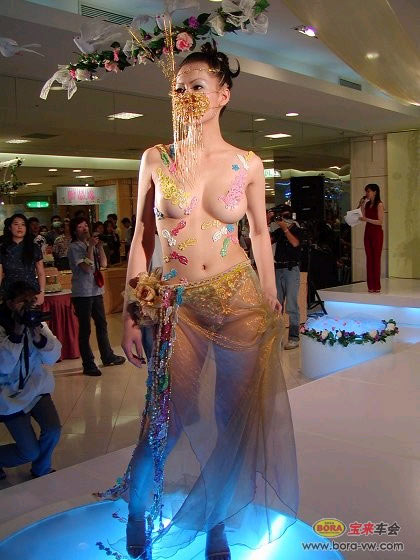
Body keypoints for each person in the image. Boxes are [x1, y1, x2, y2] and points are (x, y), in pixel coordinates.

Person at [103, 42, 298, 560]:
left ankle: (217, 523)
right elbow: (142, 236)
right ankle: (138, 509)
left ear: (223, 95)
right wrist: (131, 312)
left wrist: (271, 291)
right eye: (178, 88)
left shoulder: (246, 163)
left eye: (197, 86)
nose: (186, 95)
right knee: (166, 414)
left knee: (234, 420)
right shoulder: (157, 158)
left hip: (238, 297)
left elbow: (260, 233)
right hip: (179, 302)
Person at [0, 281, 62, 480]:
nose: (28, 306)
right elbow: (3, 367)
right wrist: (17, 333)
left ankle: (41, 469)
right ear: (9, 303)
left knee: (53, 429)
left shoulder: (37, 323)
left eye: (31, 301)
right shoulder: (2, 326)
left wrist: (37, 336)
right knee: (29, 452)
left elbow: (53, 357)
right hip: (8, 395)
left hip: (35, 387)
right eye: (22, 301)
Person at [67, 217, 125, 376]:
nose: (85, 228)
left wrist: (99, 247)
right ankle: (88, 364)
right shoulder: (74, 247)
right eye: (80, 226)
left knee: (102, 324)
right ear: (75, 230)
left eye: (86, 225)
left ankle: (107, 356)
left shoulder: (89, 244)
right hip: (82, 293)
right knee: (85, 329)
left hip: (96, 291)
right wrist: (91, 247)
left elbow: (104, 264)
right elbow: (86, 267)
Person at [271, 205, 302, 350]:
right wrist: (266, 221)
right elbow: (267, 240)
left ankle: (294, 337)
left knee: (291, 305)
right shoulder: (278, 231)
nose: (280, 219)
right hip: (278, 269)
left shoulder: (296, 228)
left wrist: (285, 229)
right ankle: (276, 338)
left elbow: (295, 243)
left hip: (291, 269)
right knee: (277, 305)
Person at [0, 214, 45, 306]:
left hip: (31, 292)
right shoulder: (3, 249)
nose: (20, 227)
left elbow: (41, 273)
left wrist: (42, 292)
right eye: (16, 224)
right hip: (9, 292)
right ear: (10, 228)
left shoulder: (34, 248)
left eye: (23, 224)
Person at [359, 183, 384, 293]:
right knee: (369, 259)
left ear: (375, 192)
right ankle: (370, 286)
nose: (367, 193)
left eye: (368, 191)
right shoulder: (368, 204)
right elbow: (363, 216)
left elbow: (380, 221)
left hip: (376, 233)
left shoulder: (379, 204)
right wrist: (362, 204)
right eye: (366, 191)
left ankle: (376, 286)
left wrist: (367, 220)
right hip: (368, 232)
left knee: (376, 259)